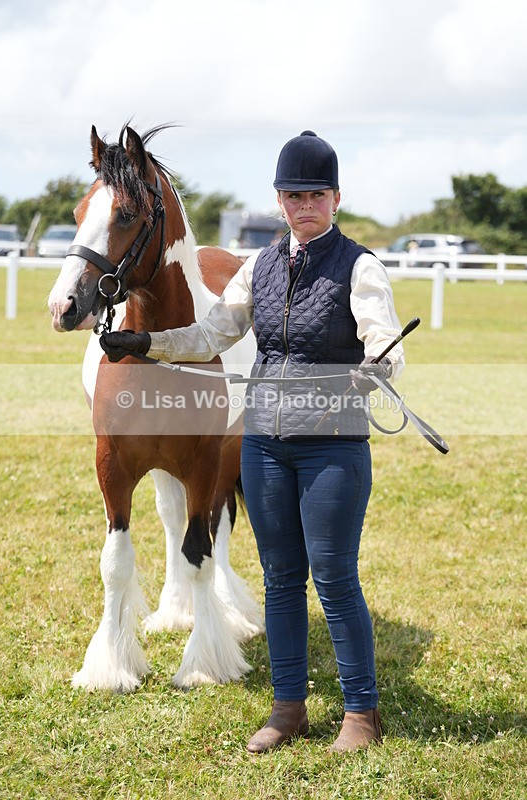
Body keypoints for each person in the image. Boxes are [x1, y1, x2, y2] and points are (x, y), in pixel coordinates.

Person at [101, 130, 404, 754]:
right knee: (281, 576)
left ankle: (359, 713)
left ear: (336, 198)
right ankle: (287, 707)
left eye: (316, 194)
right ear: (278, 200)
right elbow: (208, 335)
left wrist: (377, 362)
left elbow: (385, 344)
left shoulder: (360, 266)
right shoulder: (257, 268)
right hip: (265, 443)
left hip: (331, 446)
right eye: (294, 195)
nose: (304, 205)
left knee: (335, 577)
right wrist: (144, 345)